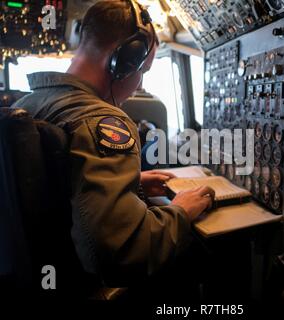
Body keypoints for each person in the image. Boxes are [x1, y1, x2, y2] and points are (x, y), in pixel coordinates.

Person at [12, 0, 214, 288]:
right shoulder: (101, 122)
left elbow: (52, 190)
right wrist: (180, 211)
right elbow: (123, 252)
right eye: (142, 70)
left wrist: (132, 182)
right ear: (121, 61)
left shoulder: (27, 104)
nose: (138, 85)